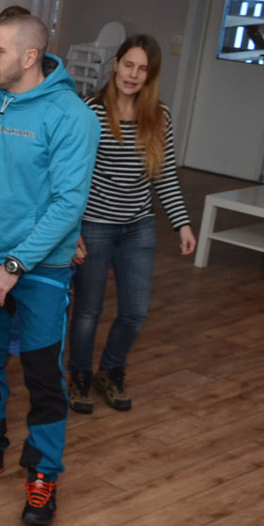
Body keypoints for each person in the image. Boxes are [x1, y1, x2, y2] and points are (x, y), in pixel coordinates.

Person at [0, 10, 98, 526]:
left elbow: (67, 205)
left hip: (43, 268)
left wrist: (15, 265)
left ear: (30, 57)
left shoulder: (71, 116)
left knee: (41, 371)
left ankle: (44, 470)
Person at [68, 35, 196, 415]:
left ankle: (110, 370)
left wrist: (183, 225)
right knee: (88, 309)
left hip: (138, 226)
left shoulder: (160, 117)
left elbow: (166, 176)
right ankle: (78, 377)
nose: (133, 75)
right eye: (128, 65)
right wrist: (71, 229)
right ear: (116, 64)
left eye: (142, 69)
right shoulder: (89, 111)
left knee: (135, 311)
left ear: (150, 75)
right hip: (94, 224)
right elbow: (72, 176)